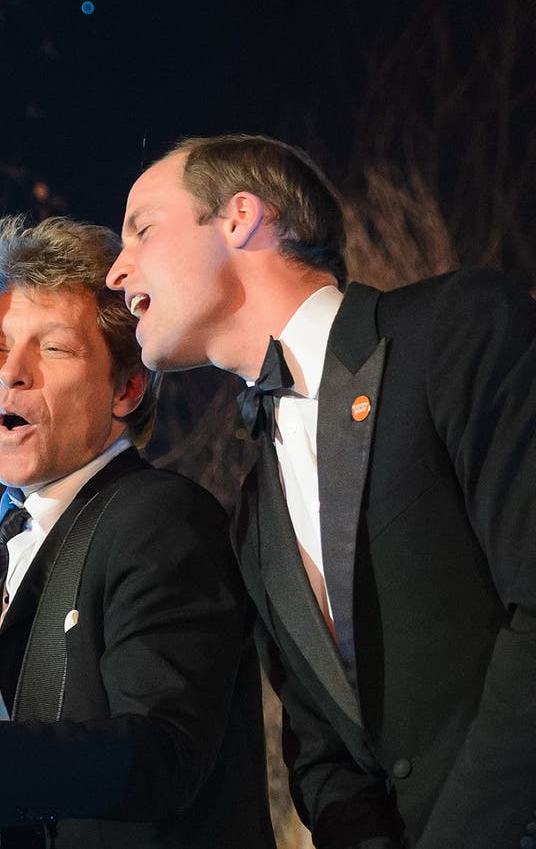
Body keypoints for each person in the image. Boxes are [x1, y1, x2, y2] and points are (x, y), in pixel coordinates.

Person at [105, 133, 536, 848]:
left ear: (240, 216)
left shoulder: (458, 329)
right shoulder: (250, 516)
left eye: (142, 229)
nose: (118, 270)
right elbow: (321, 752)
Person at [0, 215, 275, 847]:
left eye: (53, 348)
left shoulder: (161, 520)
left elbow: (166, 753)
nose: (10, 375)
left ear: (126, 389)